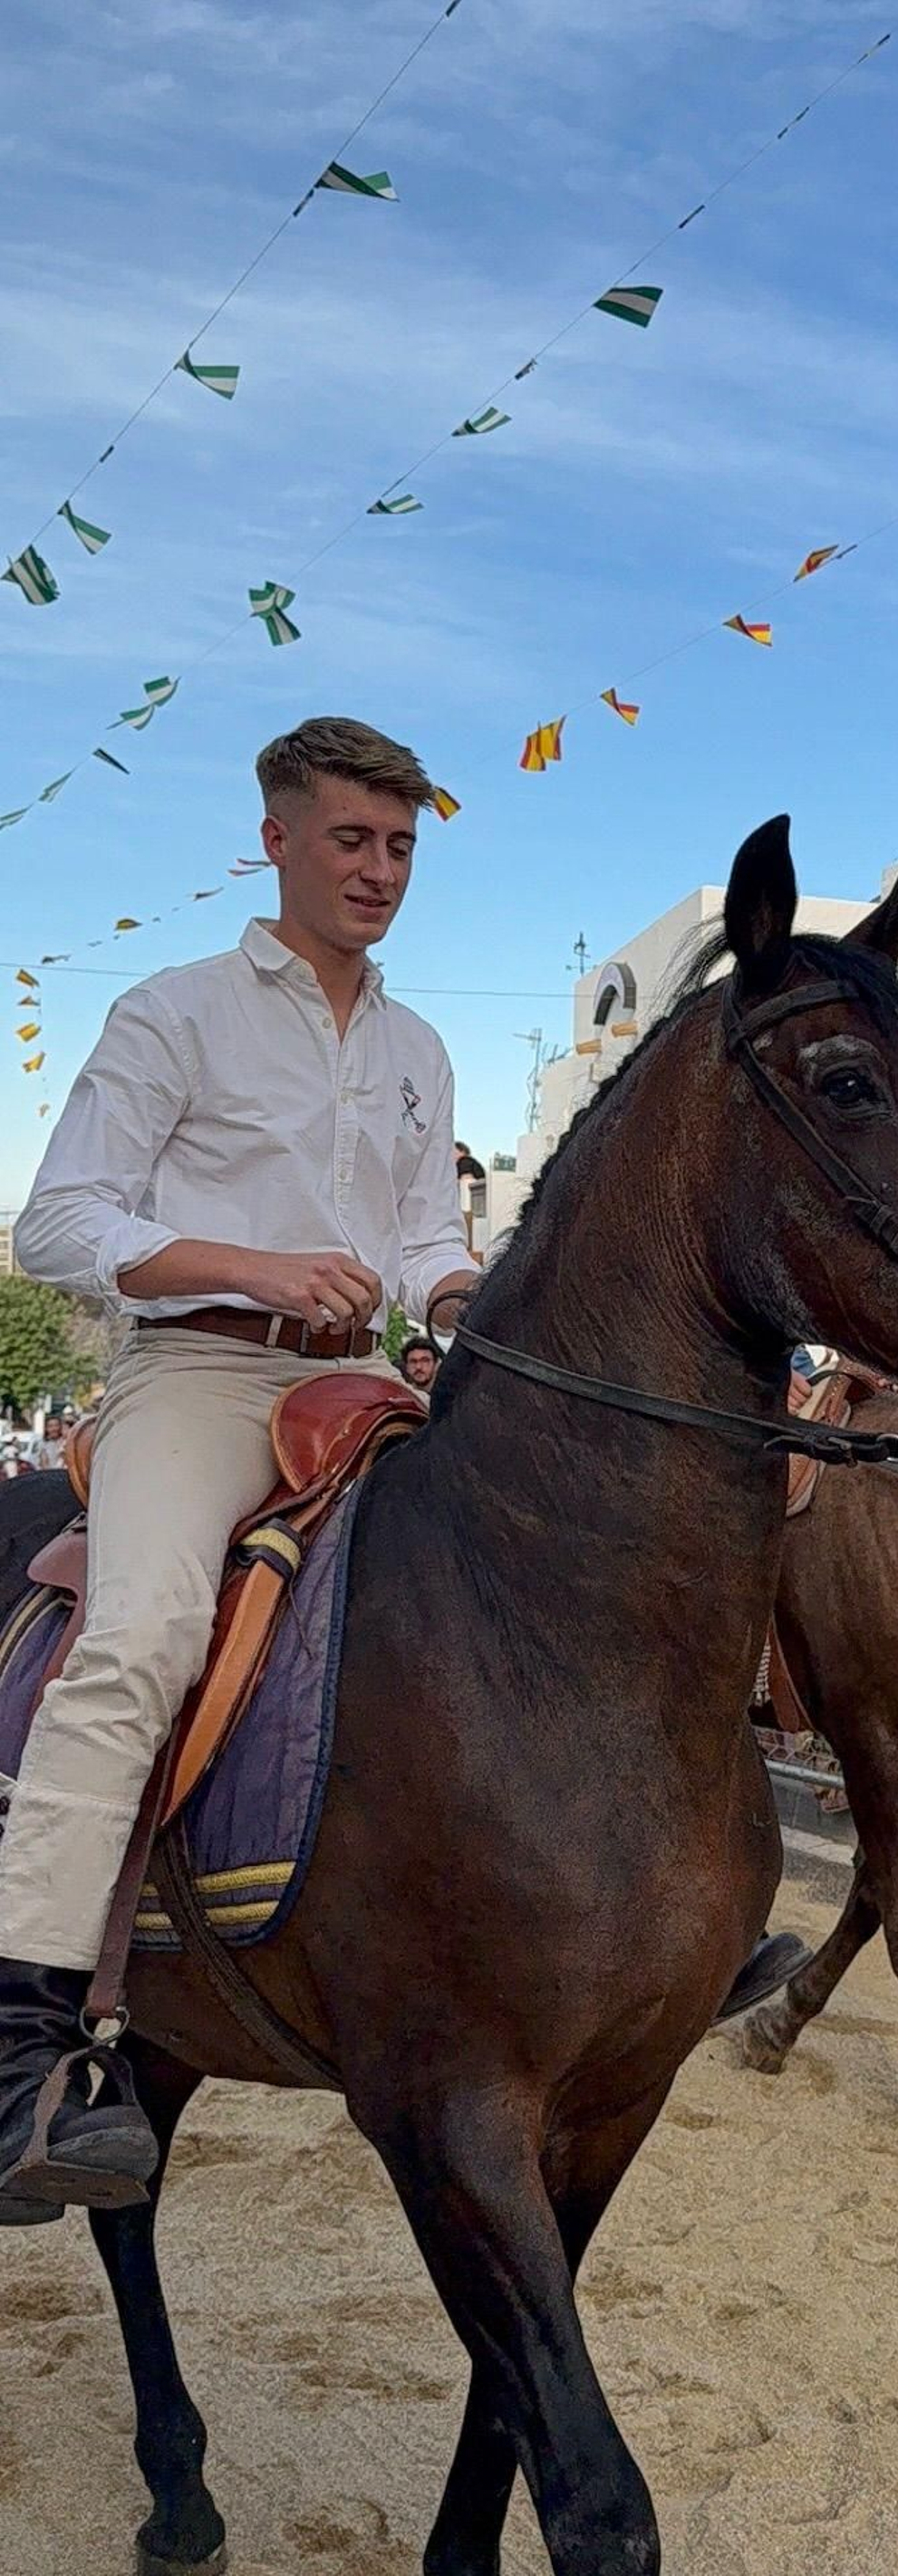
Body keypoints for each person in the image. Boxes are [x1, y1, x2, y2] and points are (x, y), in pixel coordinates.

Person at [0, 716, 490, 2222]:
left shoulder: (417, 1049)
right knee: (141, 1627)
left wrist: (464, 1298)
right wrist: (248, 1262)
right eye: (353, 838)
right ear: (276, 837)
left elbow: (420, 1237)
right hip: (203, 1371)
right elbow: (60, 1221)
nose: (380, 869)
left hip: (362, 1382)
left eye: (401, 845)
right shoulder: (179, 1010)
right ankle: (21, 2035)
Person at [399, 1334, 439, 1399]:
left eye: (425, 1361)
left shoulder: (448, 1398)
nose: (418, 1367)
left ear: (436, 1364)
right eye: (413, 1362)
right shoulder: (402, 1397)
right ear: (407, 1367)